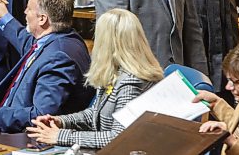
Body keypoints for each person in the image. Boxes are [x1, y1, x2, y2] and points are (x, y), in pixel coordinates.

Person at [26, 8, 164, 148]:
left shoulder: (131, 81)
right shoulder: (115, 71)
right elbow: (95, 114)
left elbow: (119, 137)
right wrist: (61, 121)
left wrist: (60, 136)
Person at [0, 0, 94, 133]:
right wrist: (4, 17)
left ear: (42, 19)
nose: (25, 12)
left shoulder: (58, 58)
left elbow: (42, 115)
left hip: (18, 136)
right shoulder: (64, 40)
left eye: (29, 8)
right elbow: (28, 43)